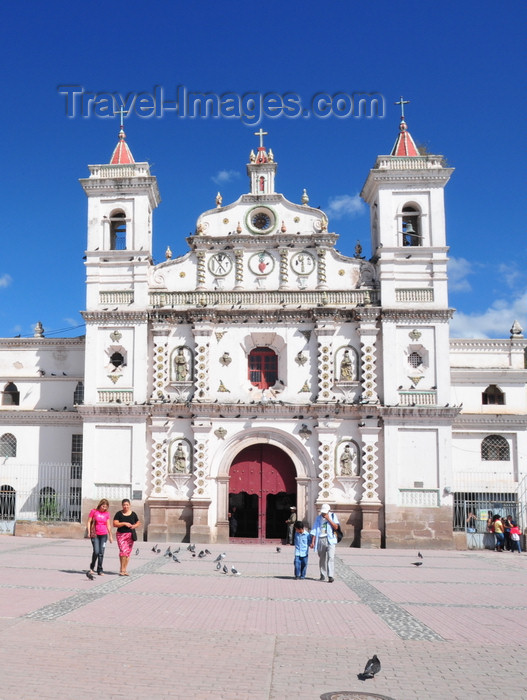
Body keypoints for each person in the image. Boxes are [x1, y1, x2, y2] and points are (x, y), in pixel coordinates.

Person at [310, 503, 339, 582]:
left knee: (331, 557)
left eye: (325, 512)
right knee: (322, 558)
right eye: (323, 512)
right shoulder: (318, 518)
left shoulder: (333, 516)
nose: (323, 514)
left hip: (330, 539)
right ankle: (323, 574)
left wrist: (328, 519)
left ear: (328, 511)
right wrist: (312, 541)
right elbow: (315, 529)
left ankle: (330, 576)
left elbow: (336, 527)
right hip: (321, 539)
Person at [113, 499, 140, 576]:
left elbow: (138, 522)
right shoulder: (119, 514)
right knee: (123, 551)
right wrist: (124, 523)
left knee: (127, 553)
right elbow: (115, 523)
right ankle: (122, 569)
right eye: (124, 505)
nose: (125, 506)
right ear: (122, 505)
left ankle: (124, 569)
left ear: (129, 505)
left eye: (127, 505)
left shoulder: (133, 514)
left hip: (130, 535)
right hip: (121, 535)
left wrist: (134, 526)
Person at [87, 499, 113, 576]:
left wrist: (110, 535)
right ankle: (92, 567)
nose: (104, 508)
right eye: (103, 506)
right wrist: (89, 532)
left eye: (106, 507)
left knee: (101, 552)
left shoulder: (107, 514)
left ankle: (100, 569)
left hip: (104, 535)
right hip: (95, 534)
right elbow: (89, 522)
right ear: (100, 505)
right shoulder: (94, 511)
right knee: (96, 551)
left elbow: (108, 525)